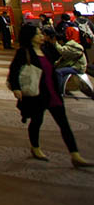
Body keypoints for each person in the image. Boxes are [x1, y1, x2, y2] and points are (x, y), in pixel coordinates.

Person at [8, 24, 92, 168]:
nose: (41, 36)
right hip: (38, 94)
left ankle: (75, 155)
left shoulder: (46, 50)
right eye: (38, 34)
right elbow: (14, 71)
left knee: (64, 124)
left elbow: (55, 67)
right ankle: (35, 147)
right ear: (31, 37)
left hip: (53, 93)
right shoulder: (24, 52)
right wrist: (16, 88)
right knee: (36, 121)